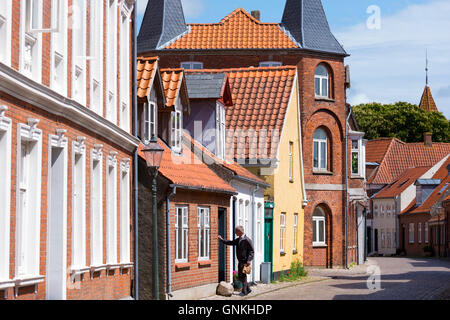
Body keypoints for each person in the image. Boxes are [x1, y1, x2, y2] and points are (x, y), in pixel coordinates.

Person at [218, 226, 254, 296]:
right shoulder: (238, 239)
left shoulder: (247, 240)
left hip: (245, 261)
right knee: (240, 276)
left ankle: (244, 291)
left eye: (236, 231)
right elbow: (230, 242)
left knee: (243, 275)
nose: (235, 232)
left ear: (240, 232)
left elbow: (251, 251)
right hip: (240, 260)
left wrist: (249, 260)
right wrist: (222, 240)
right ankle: (248, 289)